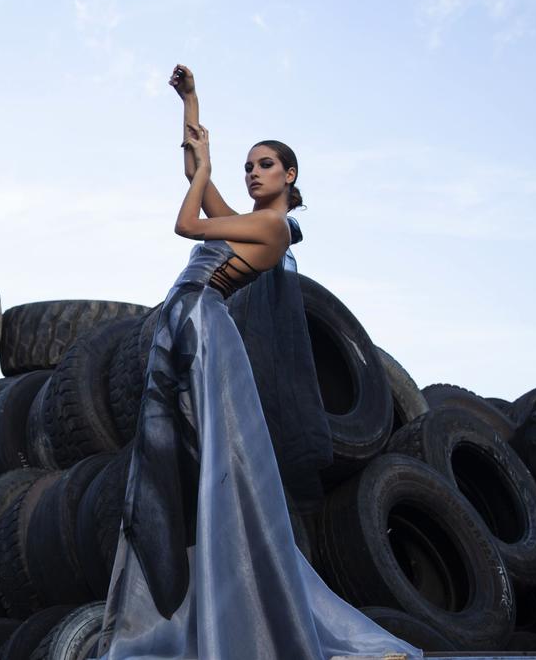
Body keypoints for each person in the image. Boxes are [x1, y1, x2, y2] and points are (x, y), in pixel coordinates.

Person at [97, 64, 422, 659]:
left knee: (216, 462)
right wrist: (191, 109)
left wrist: (209, 165)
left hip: (203, 330)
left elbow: (187, 221)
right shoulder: (246, 221)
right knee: (183, 465)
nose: (253, 173)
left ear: (290, 176)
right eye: (248, 166)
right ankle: (199, 602)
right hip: (182, 326)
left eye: (264, 164)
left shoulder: (271, 226)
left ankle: (242, 612)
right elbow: (197, 177)